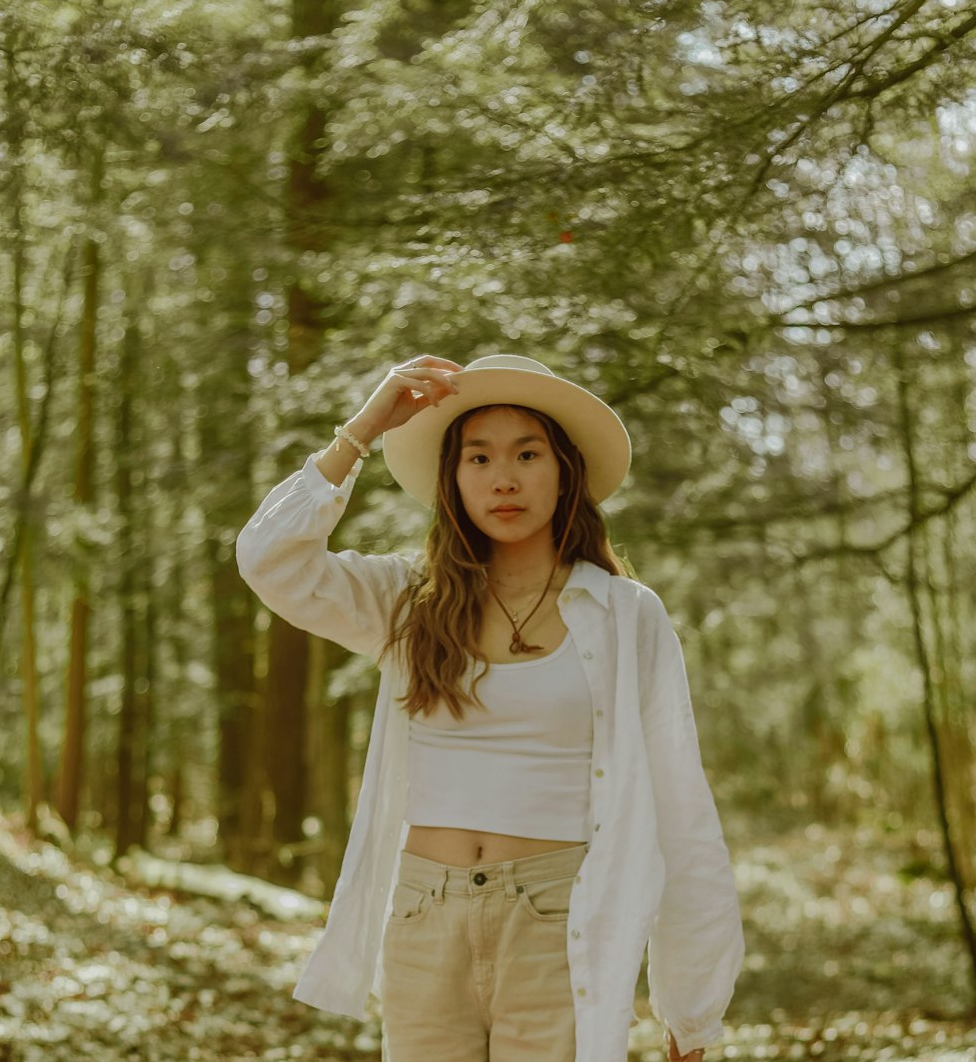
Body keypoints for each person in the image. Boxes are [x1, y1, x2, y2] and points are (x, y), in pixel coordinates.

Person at [235, 354, 744, 1062]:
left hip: (559, 917)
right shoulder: (407, 601)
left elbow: (682, 808)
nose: (503, 477)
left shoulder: (626, 616)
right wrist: (364, 427)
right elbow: (269, 559)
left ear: (564, 470)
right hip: (423, 913)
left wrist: (693, 1008)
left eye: (527, 454)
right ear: (454, 478)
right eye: (479, 457)